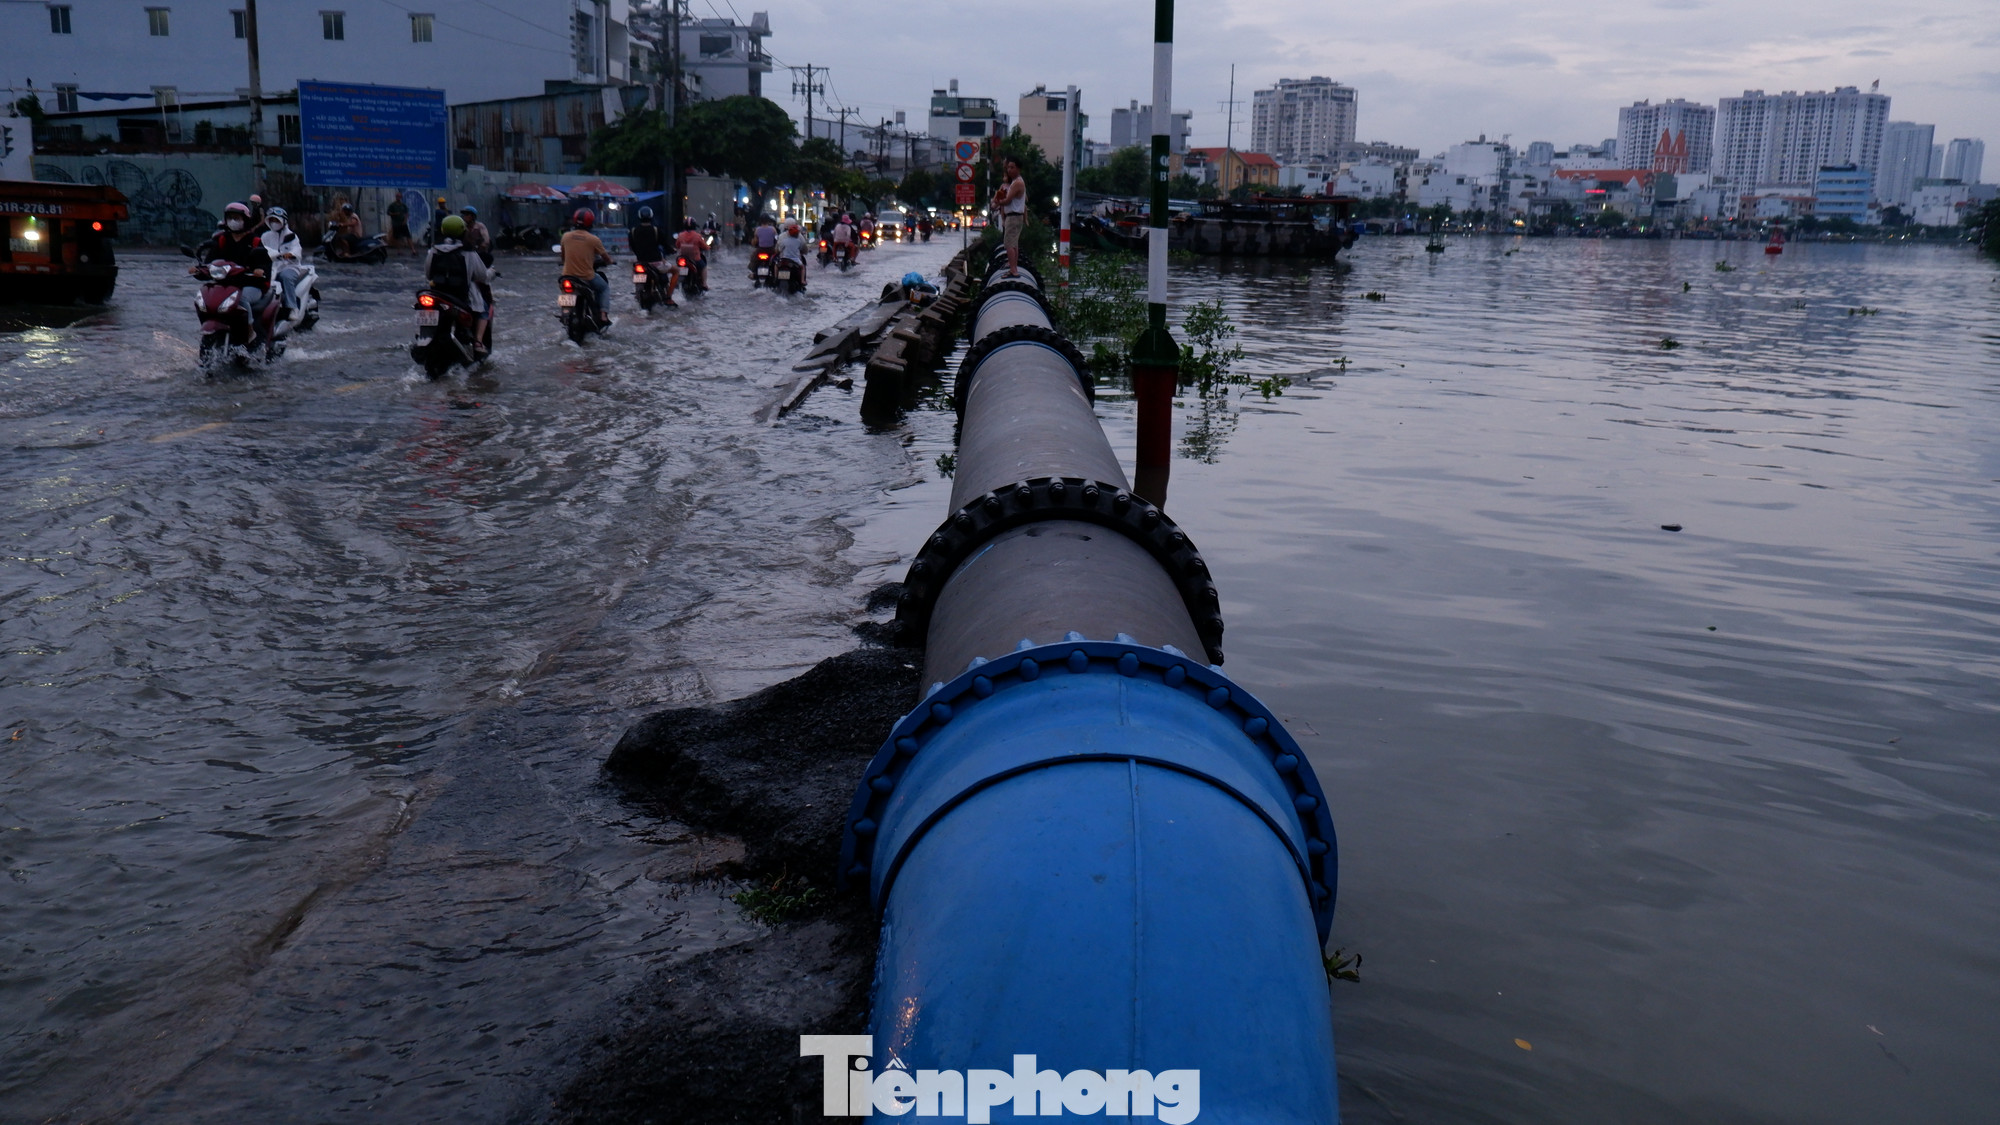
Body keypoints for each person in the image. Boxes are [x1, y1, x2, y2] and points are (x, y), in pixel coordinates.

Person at [196, 201, 275, 343]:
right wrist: (199, 270)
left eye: (237, 218)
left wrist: (259, 271)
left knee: (242, 299)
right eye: (230, 218)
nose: (233, 221)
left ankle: (249, 330)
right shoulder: (221, 240)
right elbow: (210, 261)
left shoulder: (255, 241)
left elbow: (264, 263)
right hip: (226, 285)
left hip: (251, 285)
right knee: (204, 297)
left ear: (245, 220)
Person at [427, 214, 494, 357]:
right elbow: (481, 275)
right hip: (463, 296)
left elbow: (428, 274)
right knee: (485, 310)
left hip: (438, 294)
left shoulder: (434, 249)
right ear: (463, 230)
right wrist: (491, 273)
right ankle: (478, 342)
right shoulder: (469, 252)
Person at [560, 207, 614, 326]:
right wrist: (610, 261)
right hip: (587, 277)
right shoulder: (593, 239)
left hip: (567, 277)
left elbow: (563, 258)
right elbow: (606, 258)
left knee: (564, 291)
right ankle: (603, 315)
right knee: (604, 288)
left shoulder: (565, 236)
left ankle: (564, 312)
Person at [260, 206, 307, 313]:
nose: (274, 223)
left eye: (276, 220)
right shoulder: (265, 236)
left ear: (283, 221)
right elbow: (261, 248)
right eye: (272, 220)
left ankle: (292, 307)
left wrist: (290, 254)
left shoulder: (291, 236)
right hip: (271, 266)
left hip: (289, 266)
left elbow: (297, 249)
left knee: (286, 277)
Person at [628, 207, 674, 307]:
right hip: (656, 263)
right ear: (651, 216)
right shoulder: (656, 230)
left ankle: (638, 294)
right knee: (676, 271)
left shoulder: (633, 231)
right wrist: (672, 251)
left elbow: (632, 247)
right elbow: (666, 246)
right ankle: (669, 297)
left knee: (636, 275)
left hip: (640, 263)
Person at [995, 158, 1027, 277]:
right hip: (1014, 216)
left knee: (1008, 243)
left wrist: (997, 203)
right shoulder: (1014, 182)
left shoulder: (1017, 183)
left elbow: (1007, 200)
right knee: (1013, 244)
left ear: (1018, 169)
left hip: (1013, 216)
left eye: (1012, 167)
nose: (1009, 170)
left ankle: (1013, 270)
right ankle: (1013, 267)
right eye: (1008, 167)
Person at [674, 217, 709, 293]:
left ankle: (676, 283)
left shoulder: (680, 235)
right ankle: (704, 284)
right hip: (695, 259)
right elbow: (704, 246)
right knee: (704, 267)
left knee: (677, 269)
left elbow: (677, 245)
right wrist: (708, 247)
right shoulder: (697, 236)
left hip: (683, 259)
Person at [775, 221, 808, 287]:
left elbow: (779, 249)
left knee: (776, 265)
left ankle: (775, 278)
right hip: (795, 260)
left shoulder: (783, 239)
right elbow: (803, 248)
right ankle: (802, 280)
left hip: (784, 259)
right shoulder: (799, 240)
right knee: (802, 267)